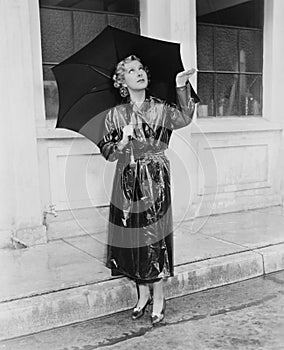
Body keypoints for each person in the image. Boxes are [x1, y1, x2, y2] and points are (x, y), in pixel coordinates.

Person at [98, 55, 197, 325]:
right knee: (131, 235)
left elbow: (185, 117)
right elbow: (106, 151)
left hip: (154, 176)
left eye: (141, 68)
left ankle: (160, 296)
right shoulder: (115, 115)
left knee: (154, 235)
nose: (139, 73)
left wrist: (181, 86)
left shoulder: (161, 108)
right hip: (127, 178)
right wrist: (123, 141)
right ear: (122, 81)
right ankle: (142, 295)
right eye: (131, 70)